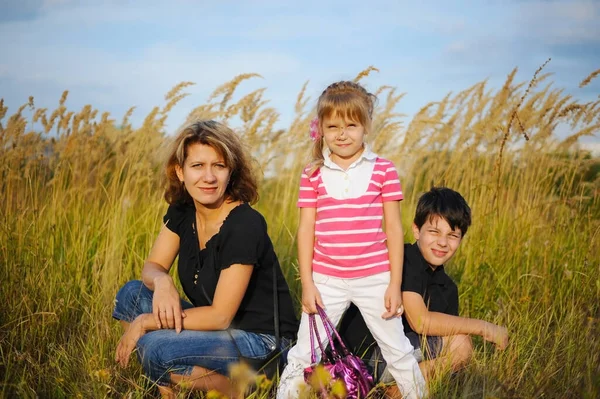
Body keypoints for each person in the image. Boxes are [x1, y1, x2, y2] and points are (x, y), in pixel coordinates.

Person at [112, 120, 298, 398]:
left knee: (155, 347)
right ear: (180, 171)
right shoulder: (183, 209)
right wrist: (163, 282)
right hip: (217, 332)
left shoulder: (244, 224)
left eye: (219, 166)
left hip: (262, 343)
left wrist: (145, 322)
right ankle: (172, 378)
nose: (208, 177)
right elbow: (153, 266)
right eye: (197, 166)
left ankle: (240, 389)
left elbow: (221, 316)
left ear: (230, 172)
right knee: (131, 294)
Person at [277, 81, 426, 399]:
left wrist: (393, 284)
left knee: (398, 352)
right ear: (321, 128)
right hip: (326, 280)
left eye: (351, 125)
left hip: (375, 278)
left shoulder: (384, 170)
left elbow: (394, 230)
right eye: (332, 126)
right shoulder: (312, 174)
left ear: (366, 126)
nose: (341, 134)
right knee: (304, 353)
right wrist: (308, 283)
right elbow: (306, 230)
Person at [338, 187, 509, 396]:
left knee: (458, 349)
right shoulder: (405, 257)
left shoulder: (448, 289)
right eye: (434, 232)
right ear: (417, 230)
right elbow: (419, 320)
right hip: (362, 359)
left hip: (394, 357)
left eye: (453, 235)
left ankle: (393, 392)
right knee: (460, 343)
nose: (443, 242)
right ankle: (391, 391)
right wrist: (483, 327)